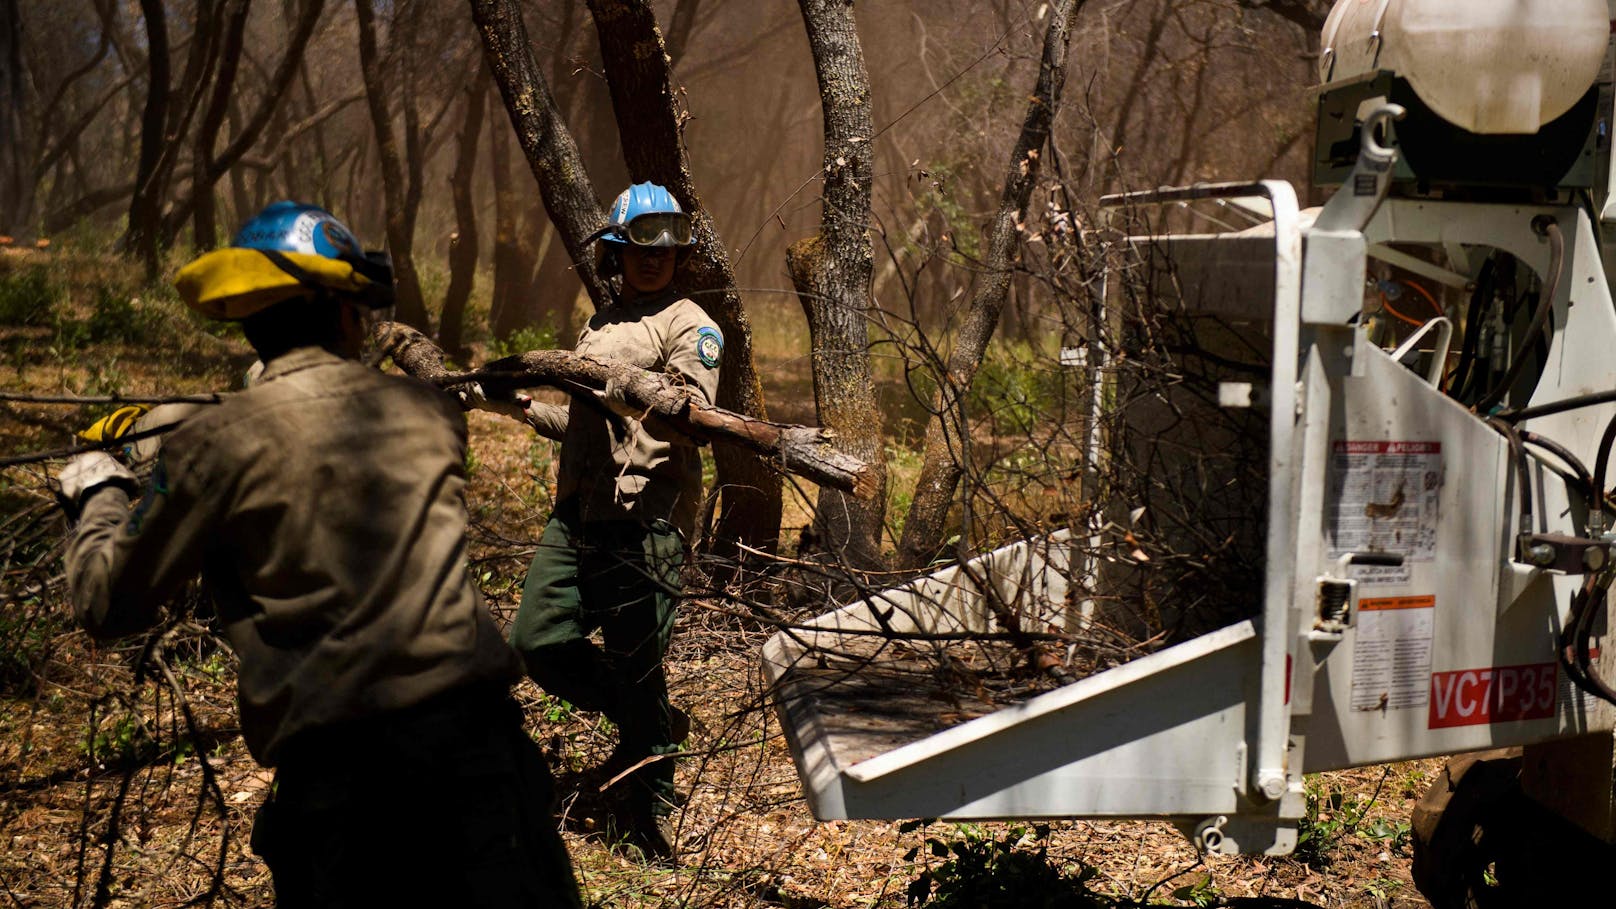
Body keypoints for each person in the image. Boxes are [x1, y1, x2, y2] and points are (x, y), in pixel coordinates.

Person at [56, 201, 582, 908]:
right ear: (342, 314)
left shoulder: (213, 444)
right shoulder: (430, 416)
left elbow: (105, 602)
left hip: (346, 793)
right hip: (485, 761)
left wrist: (101, 485)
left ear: (249, 317)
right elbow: (312, 421)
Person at [509, 182, 721, 861]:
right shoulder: (599, 323)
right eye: (639, 245)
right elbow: (582, 421)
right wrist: (520, 409)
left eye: (667, 246)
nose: (654, 259)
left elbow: (691, 415)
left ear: (680, 254)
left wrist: (633, 390)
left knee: (638, 668)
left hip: (645, 522)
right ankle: (650, 723)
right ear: (616, 253)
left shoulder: (692, 324)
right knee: (539, 639)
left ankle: (645, 811)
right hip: (577, 515)